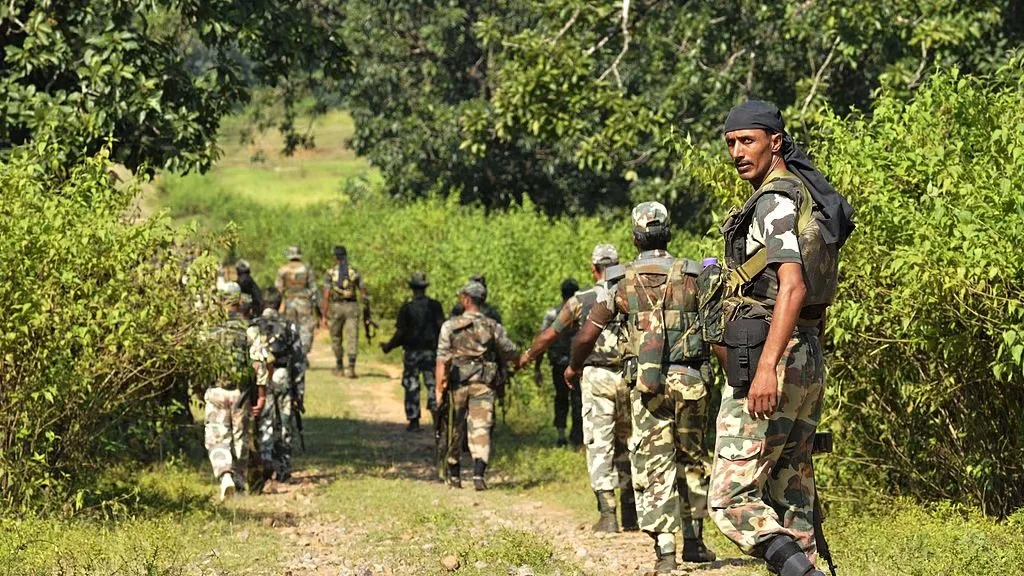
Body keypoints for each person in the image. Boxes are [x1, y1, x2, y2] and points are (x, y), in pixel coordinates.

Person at [706, 101, 853, 576]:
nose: (736, 151)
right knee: (792, 492)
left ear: (775, 140)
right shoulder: (806, 194)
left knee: (730, 497)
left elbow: (792, 285)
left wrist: (768, 366)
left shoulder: (773, 200)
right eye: (730, 142)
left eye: (747, 140)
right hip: (805, 350)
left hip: (773, 351)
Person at [568, 203, 716, 573]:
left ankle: (666, 553)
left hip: (649, 386)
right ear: (669, 234)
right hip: (692, 382)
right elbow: (719, 331)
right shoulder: (694, 276)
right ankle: (695, 541)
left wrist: (573, 365)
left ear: (635, 238)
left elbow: (588, 332)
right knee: (693, 458)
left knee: (654, 462)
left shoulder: (622, 282)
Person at [517, 245, 637, 533]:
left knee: (599, 443)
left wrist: (526, 357)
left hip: (596, 376)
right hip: (632, 375)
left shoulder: (580, 300)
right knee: (630, 442)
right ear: (618, 266)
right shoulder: (633, 293)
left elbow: (551, 333)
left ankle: (608, 515)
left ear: (593, 268)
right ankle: (632, 512)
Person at [435, 281, 517, 491]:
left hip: (457, 385)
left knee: (455, 427)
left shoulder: (450, 326)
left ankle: (454, 474)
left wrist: (438, 390)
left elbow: (442, 360)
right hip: (483, 383)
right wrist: (521, 360)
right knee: (481, 426)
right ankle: (478, 474)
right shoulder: (493, 326)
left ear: (466, 300)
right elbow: (509, 350)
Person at [204, 282, 272, 502]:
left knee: (217, 437)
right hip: (240, 394)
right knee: (240, 439)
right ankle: (240, 484)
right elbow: (259, 363)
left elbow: (199, 365)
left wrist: (199, 391)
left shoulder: (209, 331)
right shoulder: (249, 330)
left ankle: (225, 474)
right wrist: (261, 395)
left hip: (215, 390)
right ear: (239, 302)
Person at [381, 272, 446, 432]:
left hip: (412, 353)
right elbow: (443, 328)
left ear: (412, 289)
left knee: (412, 385)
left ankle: (414, 420)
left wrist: (389, 347)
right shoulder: (434, 306)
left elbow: (400, 333)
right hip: (431, 353)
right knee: (432, 384)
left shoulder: (407, 308)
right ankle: (437, 419)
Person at [253, 287, 305, 483]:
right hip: (283, 375)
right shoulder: (289, 326)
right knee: (285, 421)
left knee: (265, 420)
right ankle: (283, 467)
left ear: (262, 303)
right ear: (279, 303)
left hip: (262, 377)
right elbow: (299, 361)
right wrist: (299, 392)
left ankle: (265, 461)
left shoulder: (254, 325)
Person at [532, 278, 581, 448]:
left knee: (561, 398)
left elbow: (543, 341)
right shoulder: (582, 313)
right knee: (578, 400)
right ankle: (577, 437)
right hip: (578, 364)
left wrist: (537, 368)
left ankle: (561, 434)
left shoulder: (553, 314)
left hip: (559, 363)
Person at [321, 245, 371, 378]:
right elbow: (363, 294)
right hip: (352, 306)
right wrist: (367, 311)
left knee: (336, 337)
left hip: (336, 307)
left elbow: (326, 296)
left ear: (335, 257)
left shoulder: (330, 273)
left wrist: (324, 315)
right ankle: (351, 368)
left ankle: (339, 366)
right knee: (352, 337)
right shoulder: (354, 272)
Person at [275, 246, 317, 355]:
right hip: (304, 302)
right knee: (305, 327)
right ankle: (303, 352)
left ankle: (292, 351)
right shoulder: (306, 269)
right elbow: (313, 287)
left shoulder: (282, 270)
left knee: (289, 326)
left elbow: (278, 288)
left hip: (288, 302)